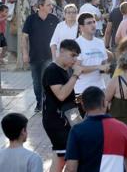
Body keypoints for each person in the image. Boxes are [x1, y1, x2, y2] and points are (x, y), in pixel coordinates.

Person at [64, 86, 127, 171]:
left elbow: (71, 168)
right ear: (104, 103)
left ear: (83, 106)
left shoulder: (76, 131)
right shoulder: (123, 128)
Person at [42, 39, 83, 172]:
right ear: (62, 51)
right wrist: (76, 75)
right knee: (64, 158)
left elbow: (66, 97)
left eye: (76, 56)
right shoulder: (52, 70)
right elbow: (61, 95)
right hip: (57, 120)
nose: (75, 59)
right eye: (73, 55)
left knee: (61, 156)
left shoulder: (66, 70)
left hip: (68, 117)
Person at [22, 0, 59, 112]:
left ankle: (46, 103)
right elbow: (24, 38)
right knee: (37, 83)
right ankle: (39, 101)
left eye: (51, 4)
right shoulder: (30, 19)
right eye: (48, 5)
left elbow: (59, 38)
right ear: (40, 6)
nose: (51, 7)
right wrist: (25, 54)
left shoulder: (54, 19)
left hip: (49, 56)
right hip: (34, 56)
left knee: (46, 81)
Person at [74, 12, 111, 96]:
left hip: (100, 88)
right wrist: (98, 67)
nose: (93, 25)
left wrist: (108, 68)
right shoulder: (76, 44)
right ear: (81, 27)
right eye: (89, 23)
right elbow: (77, 69)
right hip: (82, 90)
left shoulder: (100, 42)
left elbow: (104, 65)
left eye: (94, 22)